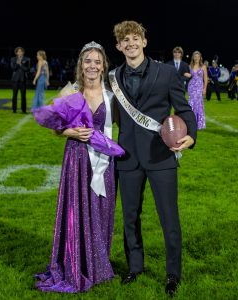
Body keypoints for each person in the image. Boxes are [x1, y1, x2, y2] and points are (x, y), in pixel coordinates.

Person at [109, 20, 197, 297]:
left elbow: (185, 110)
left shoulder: (165, 73)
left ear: (144, 41)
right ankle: (135, 267)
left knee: (169, 219)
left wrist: (191, 135)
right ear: (119, 46)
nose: (131, 43)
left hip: (161, 158)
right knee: (130, 218)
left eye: (136, 38)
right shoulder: (113, 77)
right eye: (125, 40)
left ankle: (173, 274)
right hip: (127, 158)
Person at [34, 41, 123, 293]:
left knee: (101, 208)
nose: (92, 66)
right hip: (77, 158)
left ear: (104, 65)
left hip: (103, 161)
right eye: (88, 61)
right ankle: (75, 262)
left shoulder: (111, 95)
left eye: (97, 61)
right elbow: (54, 127)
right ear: (81, 65)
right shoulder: (69, 91)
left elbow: (119, 125)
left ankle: (98, 264)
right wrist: (71, 132)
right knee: (78, 209)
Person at [187, 50, 208, 130]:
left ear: (200, 58)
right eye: (195, 56)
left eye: (198, 56)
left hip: (199, 88)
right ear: (193, 57)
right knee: (191, 104)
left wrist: (204, 88)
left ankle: (199, 124)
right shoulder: (190, 66)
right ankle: (191, 123)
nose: (196, 58)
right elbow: (186, 75)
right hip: (191, 87)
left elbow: (205, 78)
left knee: (198, 105)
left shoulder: (203, 67)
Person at [10, 46, 30, 113]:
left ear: (23, 52)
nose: (20, 53)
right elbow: (13, 68)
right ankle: (14, 109)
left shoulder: (27, 59)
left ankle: (23, 110)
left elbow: (27, 69)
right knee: (14, 95)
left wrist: (21, 64)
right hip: (15, 80)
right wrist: (17, 63)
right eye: (18, 51)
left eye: (21, 51)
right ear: (16, 53)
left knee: (23, 96)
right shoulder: (13, 59)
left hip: (23, 80)